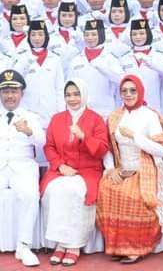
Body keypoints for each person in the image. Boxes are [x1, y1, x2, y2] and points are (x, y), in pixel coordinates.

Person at [0, 70, 45, 267]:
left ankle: (24, 246)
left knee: (29, 195)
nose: (10, 96)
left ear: (22, 93)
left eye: (14, 91)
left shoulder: (31, 117)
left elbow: (42, 143)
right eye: (6, 92)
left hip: (23, 166)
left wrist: (28, 131)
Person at [96, 75, 163, 264]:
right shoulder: (114, 116)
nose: (128, 94)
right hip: (122, 168)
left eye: (132, 90)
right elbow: (107, 148)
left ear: (140, 91)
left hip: (145, 167)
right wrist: (111, 168)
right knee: (107, 190)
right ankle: (117, 246)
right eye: (124, 91)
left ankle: (136, 248)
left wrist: (135, 136)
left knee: (135, 197)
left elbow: (161, 150)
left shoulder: (150, 115)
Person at [40, 79, 109, 266]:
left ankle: (74, 245)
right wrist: (60, 166)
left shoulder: (96, 119)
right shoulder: (57, 119)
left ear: (84, 95)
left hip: (87, 170)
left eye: (76, 94)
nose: (72, 99)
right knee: (54, 191)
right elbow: (49, 147)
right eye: (68, 95)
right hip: (62, 170)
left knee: (76, 192)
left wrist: (83, 137)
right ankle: (61, 244)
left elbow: (102, 149)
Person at [13, 20, 65, 129]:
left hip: (50, 111)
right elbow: (15, 80)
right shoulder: (23, 58)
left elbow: (59, 89)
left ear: (46, 36)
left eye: (40, 34)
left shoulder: (55, 59)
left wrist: (61, 114)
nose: (37, 38)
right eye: (33, 34)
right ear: (28, 37)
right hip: (28, 110)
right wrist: (26, 63)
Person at [67, 20, 124, 118]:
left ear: (101, 35)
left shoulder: (110, 59)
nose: (90, 38)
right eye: (87, 35)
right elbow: (68, 86)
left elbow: (121, 81)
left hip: (105, 112)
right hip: (80, 112)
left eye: (94, 34)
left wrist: (105, 70)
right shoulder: (76, 60)